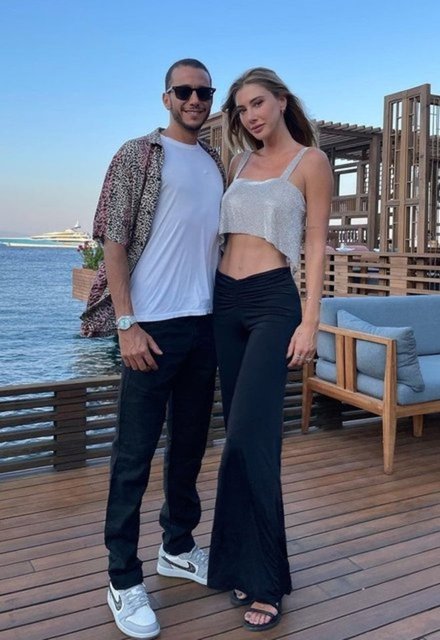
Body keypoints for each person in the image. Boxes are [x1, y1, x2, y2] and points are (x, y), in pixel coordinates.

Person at [81, 58, 225, 639]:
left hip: (203, 325)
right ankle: (122, 576)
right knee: (133, 457)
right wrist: (126, 324)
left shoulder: (215, 163)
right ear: (166, 97)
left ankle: (178, 547)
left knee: (189, 447)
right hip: (151, 328)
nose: (195, 100)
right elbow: (114, 242)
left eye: (204, 92)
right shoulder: (138, 155)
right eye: (184, 90)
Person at [207, 67, 332, 632]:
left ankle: (266, 580)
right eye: (241, 109)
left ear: (281, 101)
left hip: (272, 303)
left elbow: (316, 244)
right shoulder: (236, 164)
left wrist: (310, 320)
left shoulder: (310, 162)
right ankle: (240, 559)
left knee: (252, 438)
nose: (251, 115)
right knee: (234, 434)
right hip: (224, 301)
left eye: (258, 103)